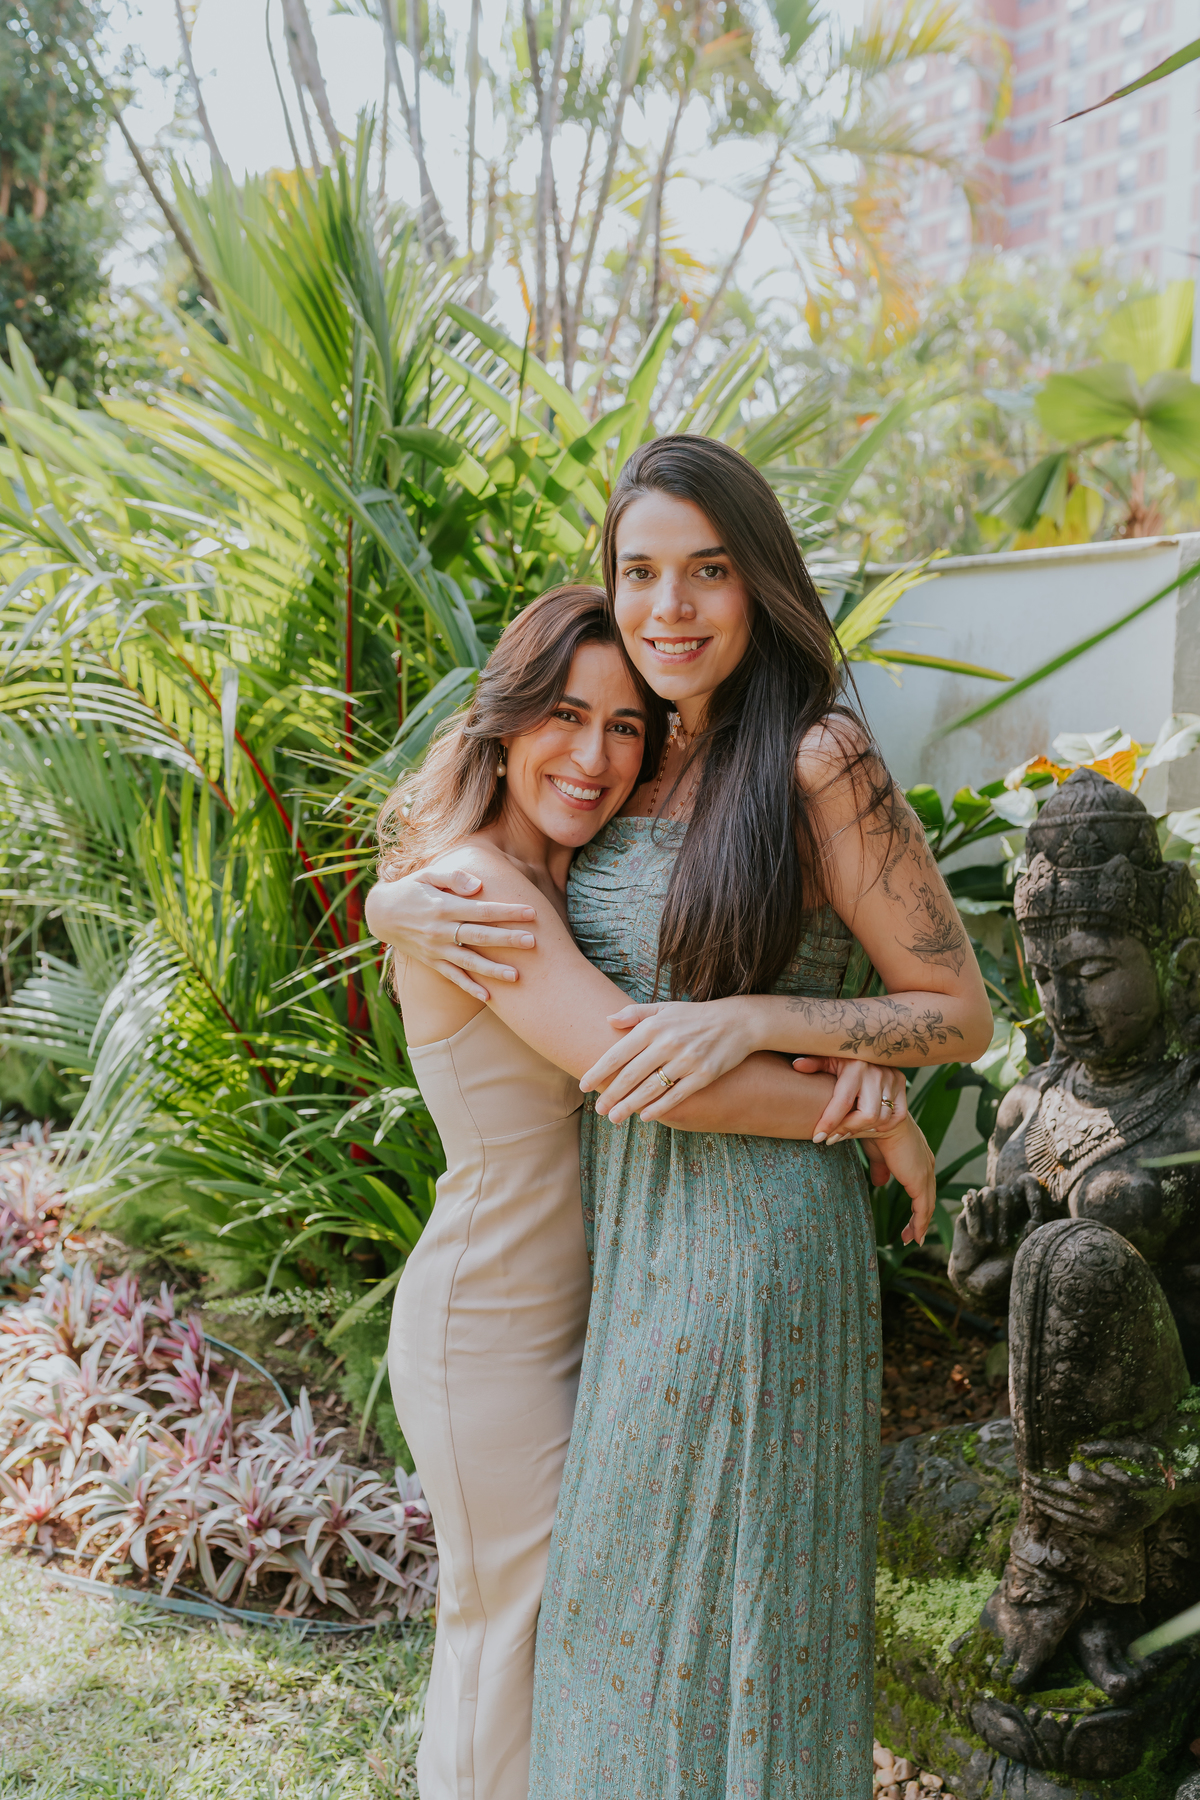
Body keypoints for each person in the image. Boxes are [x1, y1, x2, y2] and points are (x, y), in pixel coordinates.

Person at [370, 437, 991, 1799]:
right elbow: (511, 892)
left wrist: (762, 1017)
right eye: (641, 572)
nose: (670, 607)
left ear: (760, 580)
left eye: (707, 571)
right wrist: (392, 897)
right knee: (613, 1634)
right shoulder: (628, 762)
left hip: (750, 1248)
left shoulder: (819, 758)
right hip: (627, 1246)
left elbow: (957, 1011)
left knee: (732, 1621)